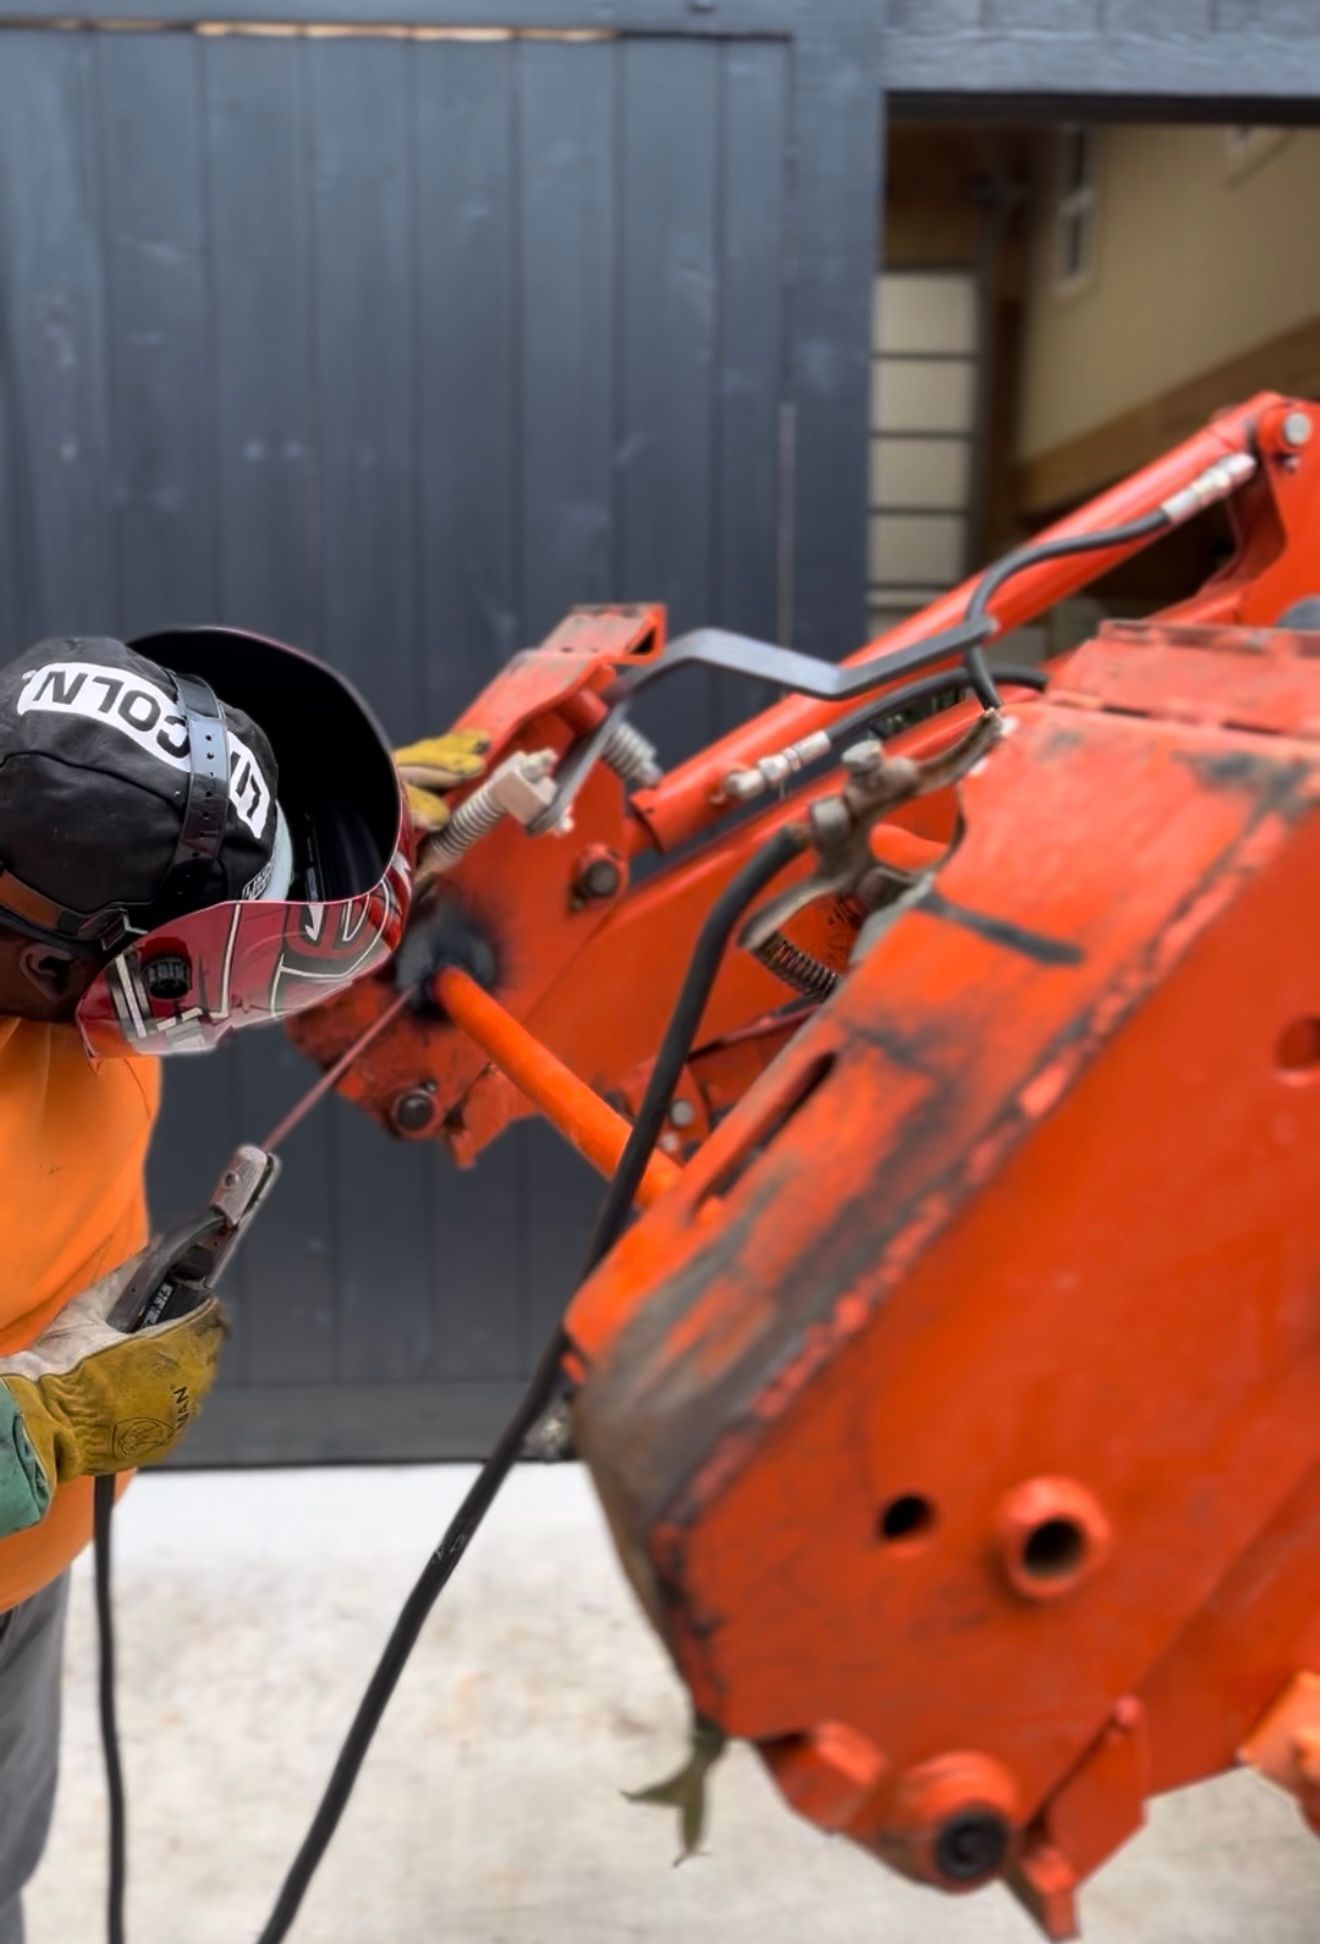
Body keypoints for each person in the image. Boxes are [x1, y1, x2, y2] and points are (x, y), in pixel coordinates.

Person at [0, 626, 484, 1941]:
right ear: (61, 968)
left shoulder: (41, 882)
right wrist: (34, 1434)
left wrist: (327, 828)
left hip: (22, 1572)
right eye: (219, 956)